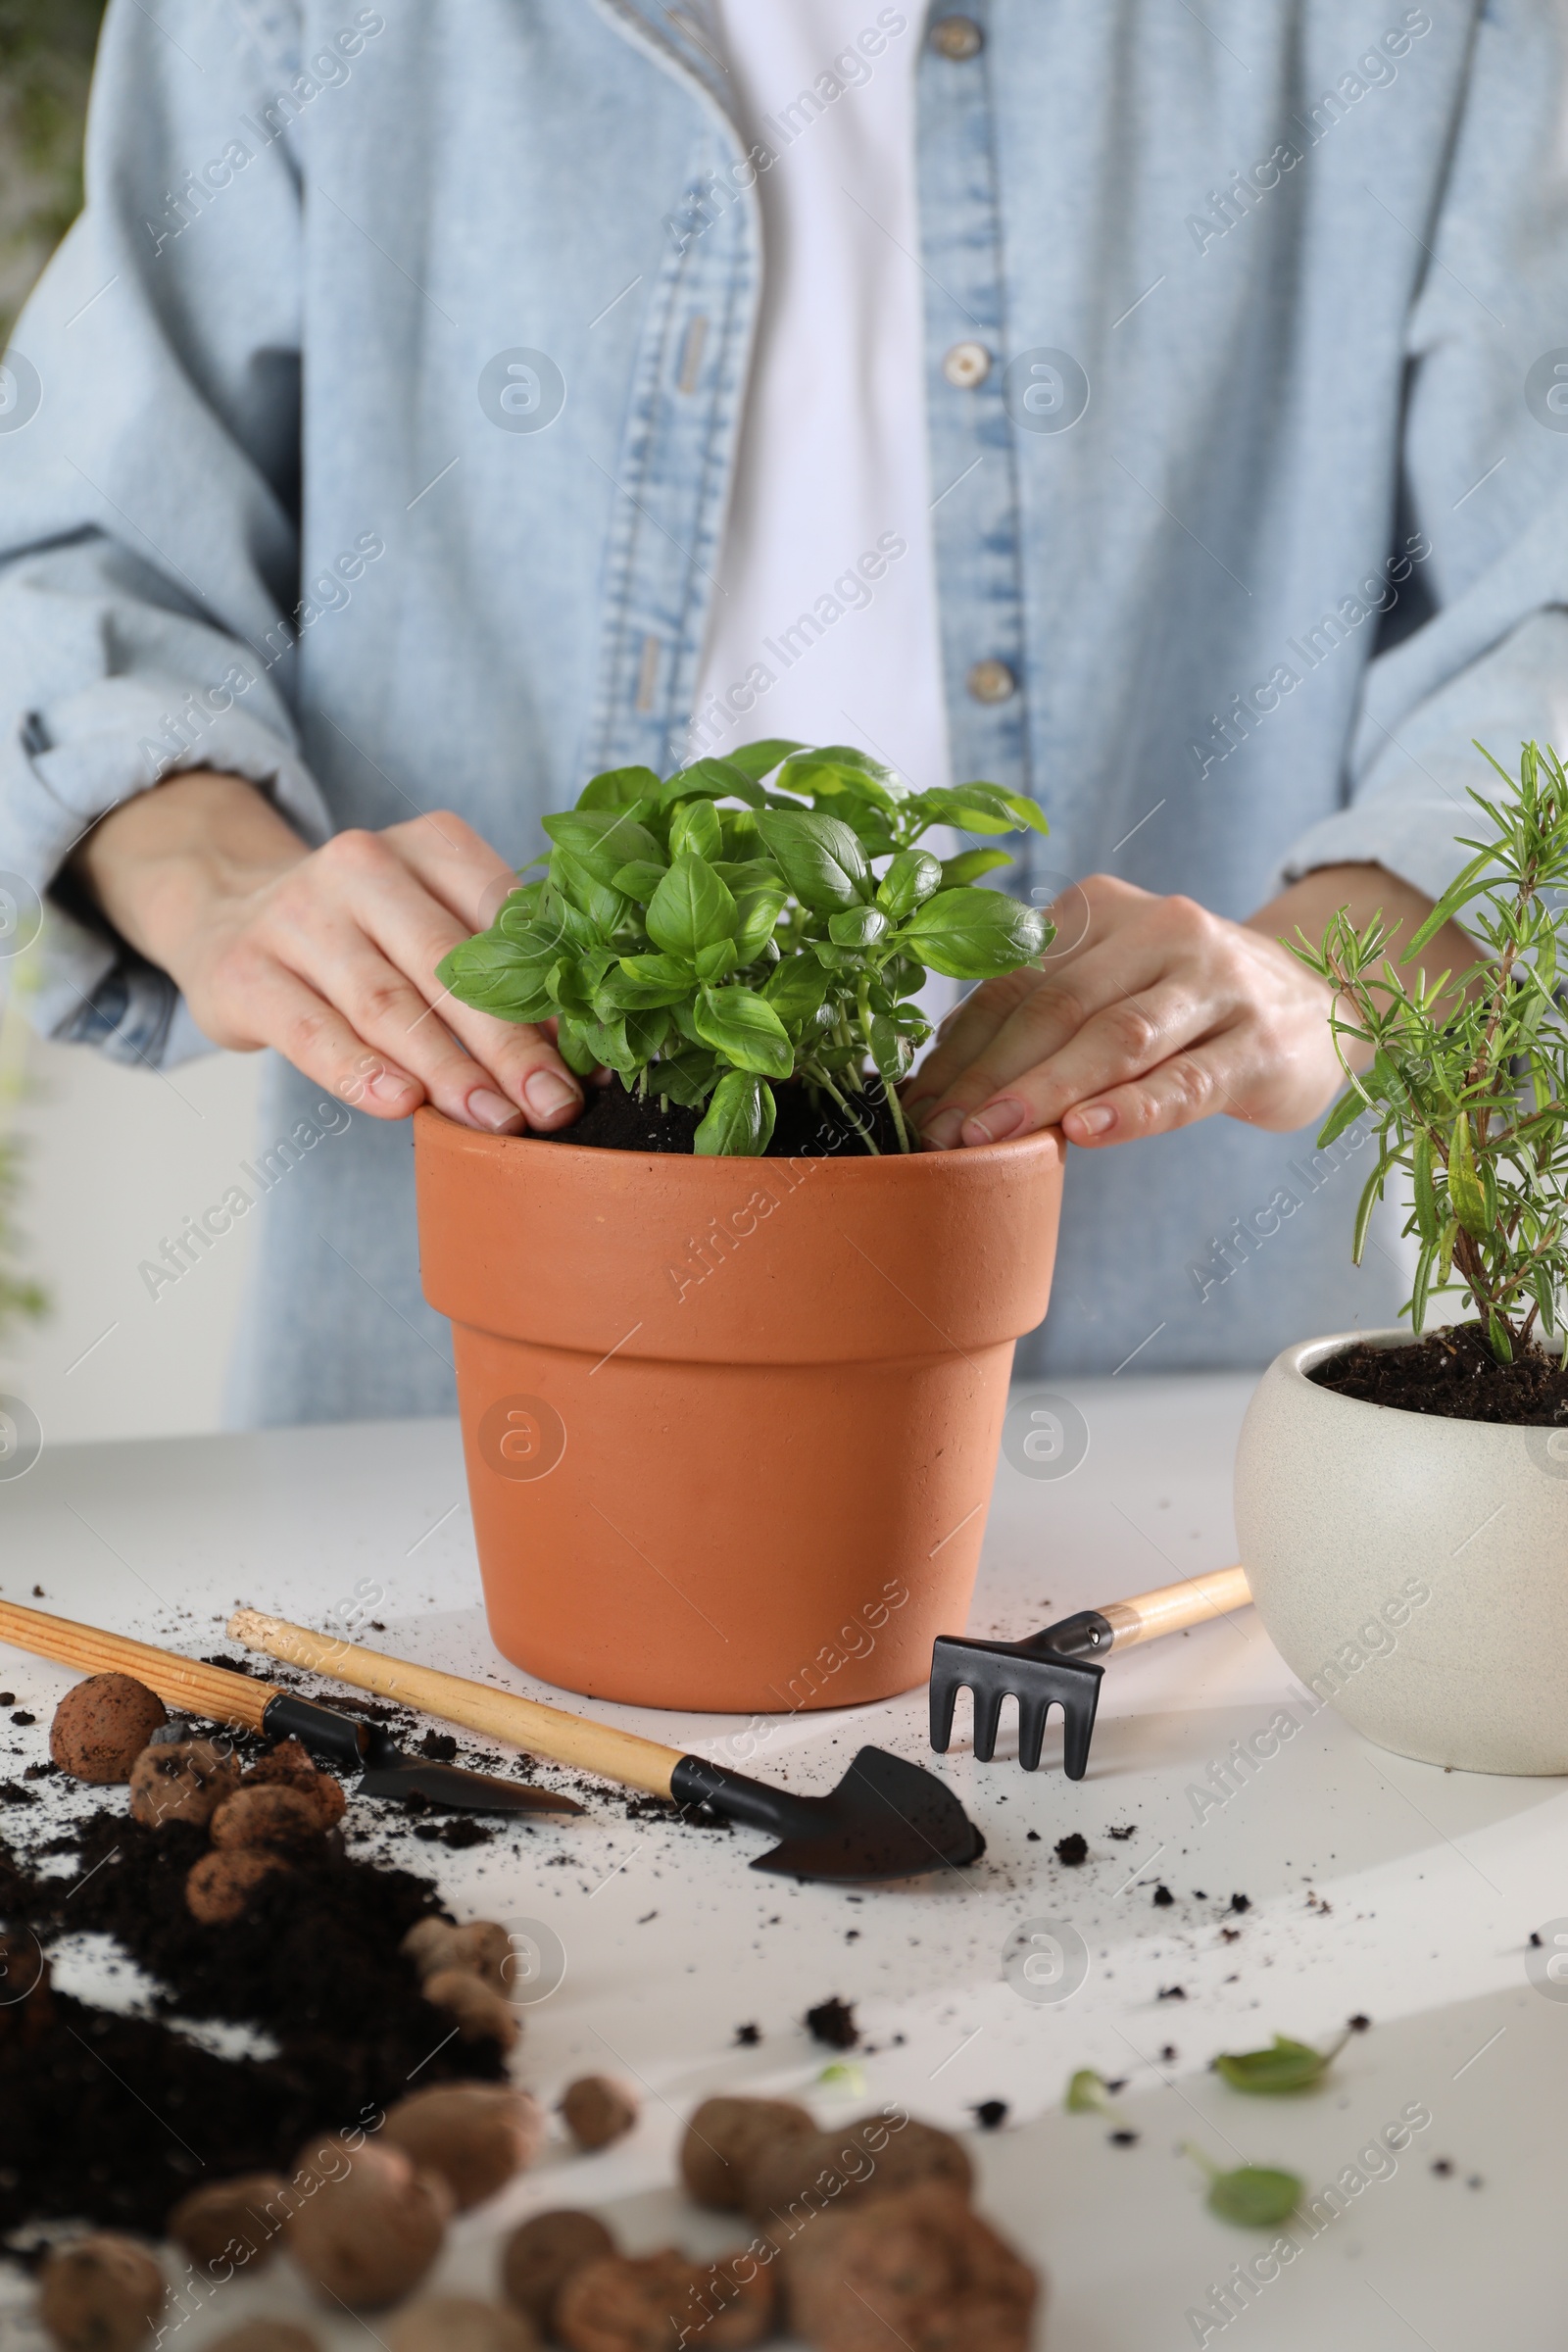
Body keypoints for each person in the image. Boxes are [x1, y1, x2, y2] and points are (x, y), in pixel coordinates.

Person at [0, 0, 1557, 1426]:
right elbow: (82, 549)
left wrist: (1316, 977)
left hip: (1188, 1399)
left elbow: (1539, 619)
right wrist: (221, 886)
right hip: (444, 1418)